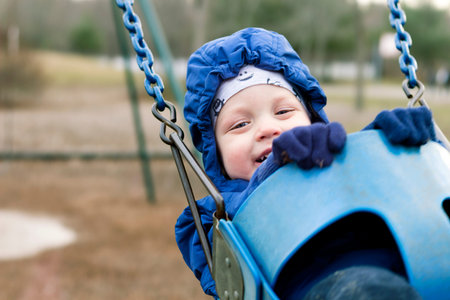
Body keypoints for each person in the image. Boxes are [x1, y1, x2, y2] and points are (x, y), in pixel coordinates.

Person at [175, 28, 434, 299]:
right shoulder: (212, 217)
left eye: (283, 111)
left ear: (311, 119)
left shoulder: (337, 160)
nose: (268, 129)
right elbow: (226, 276)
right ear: (215, 151)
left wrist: (389, 146)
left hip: (415, 270)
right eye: (240, 124)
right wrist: (275, 171)